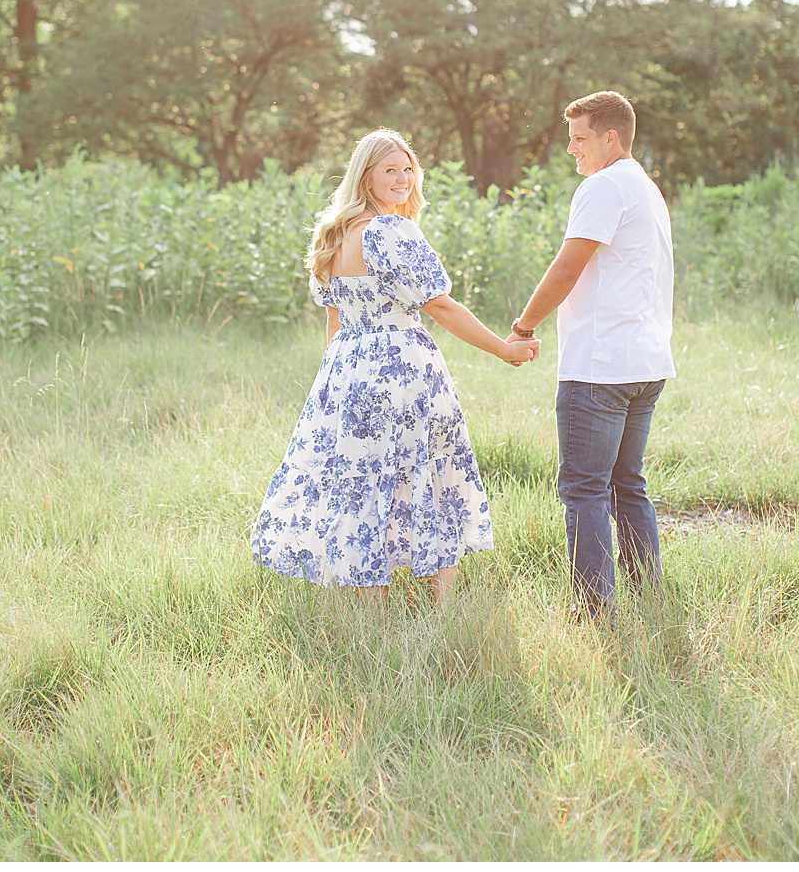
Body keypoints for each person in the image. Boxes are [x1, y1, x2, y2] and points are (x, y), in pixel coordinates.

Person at [251, 128, 539, 601]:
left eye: (408, 169)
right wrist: (503, 349)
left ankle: (371, 611)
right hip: (401, 366)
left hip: (346, 368)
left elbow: (334, 319)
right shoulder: (390, 232)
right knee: (430, 467)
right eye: (391, 170)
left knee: (363, 479)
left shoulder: (335, 233)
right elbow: (440, 307)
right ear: (365, 176)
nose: (403, 178)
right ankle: (442, 604)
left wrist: (333, 386)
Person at [507, 91, 676, 620]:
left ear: (611, 138)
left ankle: (593, 610)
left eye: (580, 139)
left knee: (583, 488)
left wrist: (523, 325)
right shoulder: (646, 189)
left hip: (602, 368)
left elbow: (566, 267)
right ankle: (646, 594)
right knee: (628, 484)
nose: (572, 150)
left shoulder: (603, 186)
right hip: (646, 364)